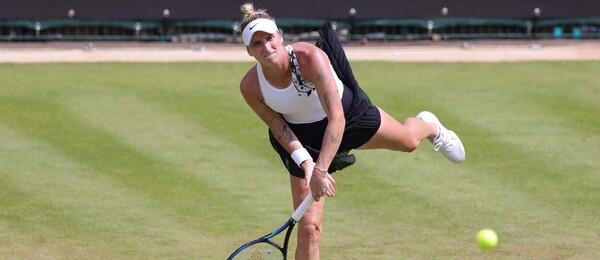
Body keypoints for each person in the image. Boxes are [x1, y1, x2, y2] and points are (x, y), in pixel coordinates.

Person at [237, 3, 465, 259]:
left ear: (280, 36)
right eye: (256, 44)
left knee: (410, 141)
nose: (266, 47)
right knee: (309, 229)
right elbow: (278, 127)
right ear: (248, 51)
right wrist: (307, 163)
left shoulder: (309, 58)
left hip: (348, 116)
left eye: (269, 38)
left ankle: (430, 126)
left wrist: (321, 170)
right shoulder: (250, 87)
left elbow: (337, 117)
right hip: (304, 140)